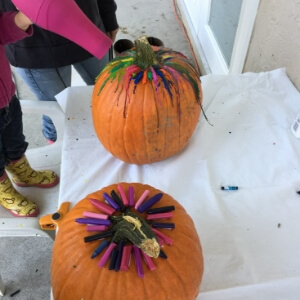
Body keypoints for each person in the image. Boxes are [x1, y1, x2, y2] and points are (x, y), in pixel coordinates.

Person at [0, 0, 119, 143]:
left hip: (88, 24)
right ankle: (58, 151)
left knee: (113, 93)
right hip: (35, 48)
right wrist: (20, 20)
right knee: (57, 111)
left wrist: (108, 14)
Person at [0, 9, 59, 217]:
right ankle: (5, 191)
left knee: (14, 139)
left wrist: (21, 19)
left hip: (6, 96)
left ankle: (21, 173)